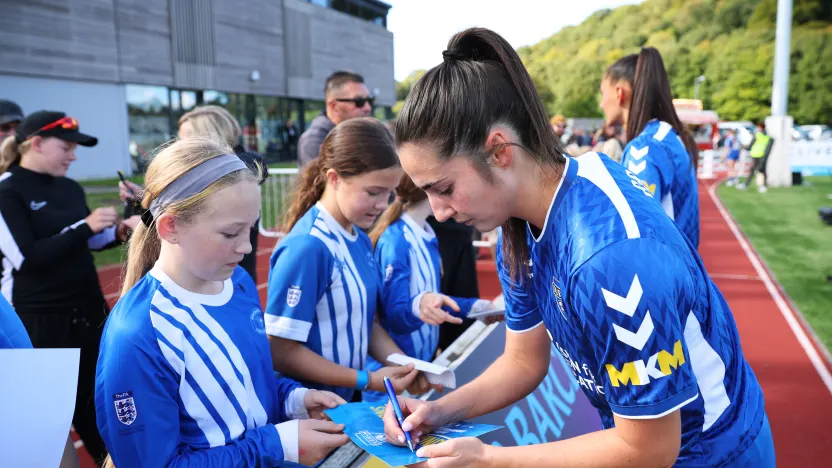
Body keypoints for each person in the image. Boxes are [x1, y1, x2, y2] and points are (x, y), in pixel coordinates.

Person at [382, 27, 772, 467]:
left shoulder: (609, 258)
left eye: (445, 188)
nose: (439, 211)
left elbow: (649, 449)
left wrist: (491, 460)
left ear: (499, 151)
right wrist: (438, 411)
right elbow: (523, 360)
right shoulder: (519, 221)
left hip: (716, 453)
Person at [95, 135, 349, 467]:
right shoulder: (137, 334)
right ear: (170, 226)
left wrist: (293, 398)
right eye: (231, 233)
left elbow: (242, 379)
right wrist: (275, 444)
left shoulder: (237, 283)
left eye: (252, 228)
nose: (246, 247)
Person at [0, 110, 139, 464]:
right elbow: (26, 257)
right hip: (39, 326)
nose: (73, 155)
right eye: (66, 147)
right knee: (49, 430)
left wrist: (116, 231)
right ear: (36, 143)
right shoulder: (7, 190)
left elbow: (82, 242)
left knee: (104, 415)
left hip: (90, 314)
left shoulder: (70, 186)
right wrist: (87, 227)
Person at [265, 117, 420, 403]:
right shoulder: (308, 247)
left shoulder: (359, 238)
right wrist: (366, 379)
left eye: (390, 193)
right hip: (310, 412)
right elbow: (280, 350)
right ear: (334, 178)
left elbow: (362, 322)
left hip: (345, 406)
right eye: (373, 192)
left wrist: (407, 366)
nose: (383, 205)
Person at [364, 173, 497, 402]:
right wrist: (420, 306)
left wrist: (475, 307)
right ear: (431, 190)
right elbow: (396, 316)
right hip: (391, 384)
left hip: (419, 371)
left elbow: (433, 300)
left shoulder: (426, 231)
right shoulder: (396, 241)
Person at [120, 105, 268, 284]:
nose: (178, 148)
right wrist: (146, 201)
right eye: (231, 232)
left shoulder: (235, 182)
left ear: (208, 140)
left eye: (185, 140)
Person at [600, 47, 701, 249]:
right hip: (681, 271)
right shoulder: (670, 136)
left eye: (603, 94)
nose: (602, 104)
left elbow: (636, 234)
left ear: (619, 93)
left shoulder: (645, 148)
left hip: (664, 276)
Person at [297, 71, 374, 167]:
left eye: (370, 100)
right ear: (333, 106)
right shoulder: (314, 140)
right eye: (359, 101)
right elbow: (321, 180)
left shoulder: (365, 134)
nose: (368, 108)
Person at [738, 122, 773, 193]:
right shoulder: (767, 137)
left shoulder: (757, 135)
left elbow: (750, 146)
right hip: (762, 155)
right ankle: (763, 186)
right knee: (762, 171)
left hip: (756, 155)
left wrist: (744, 147)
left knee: (754, 170)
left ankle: (747, 185)